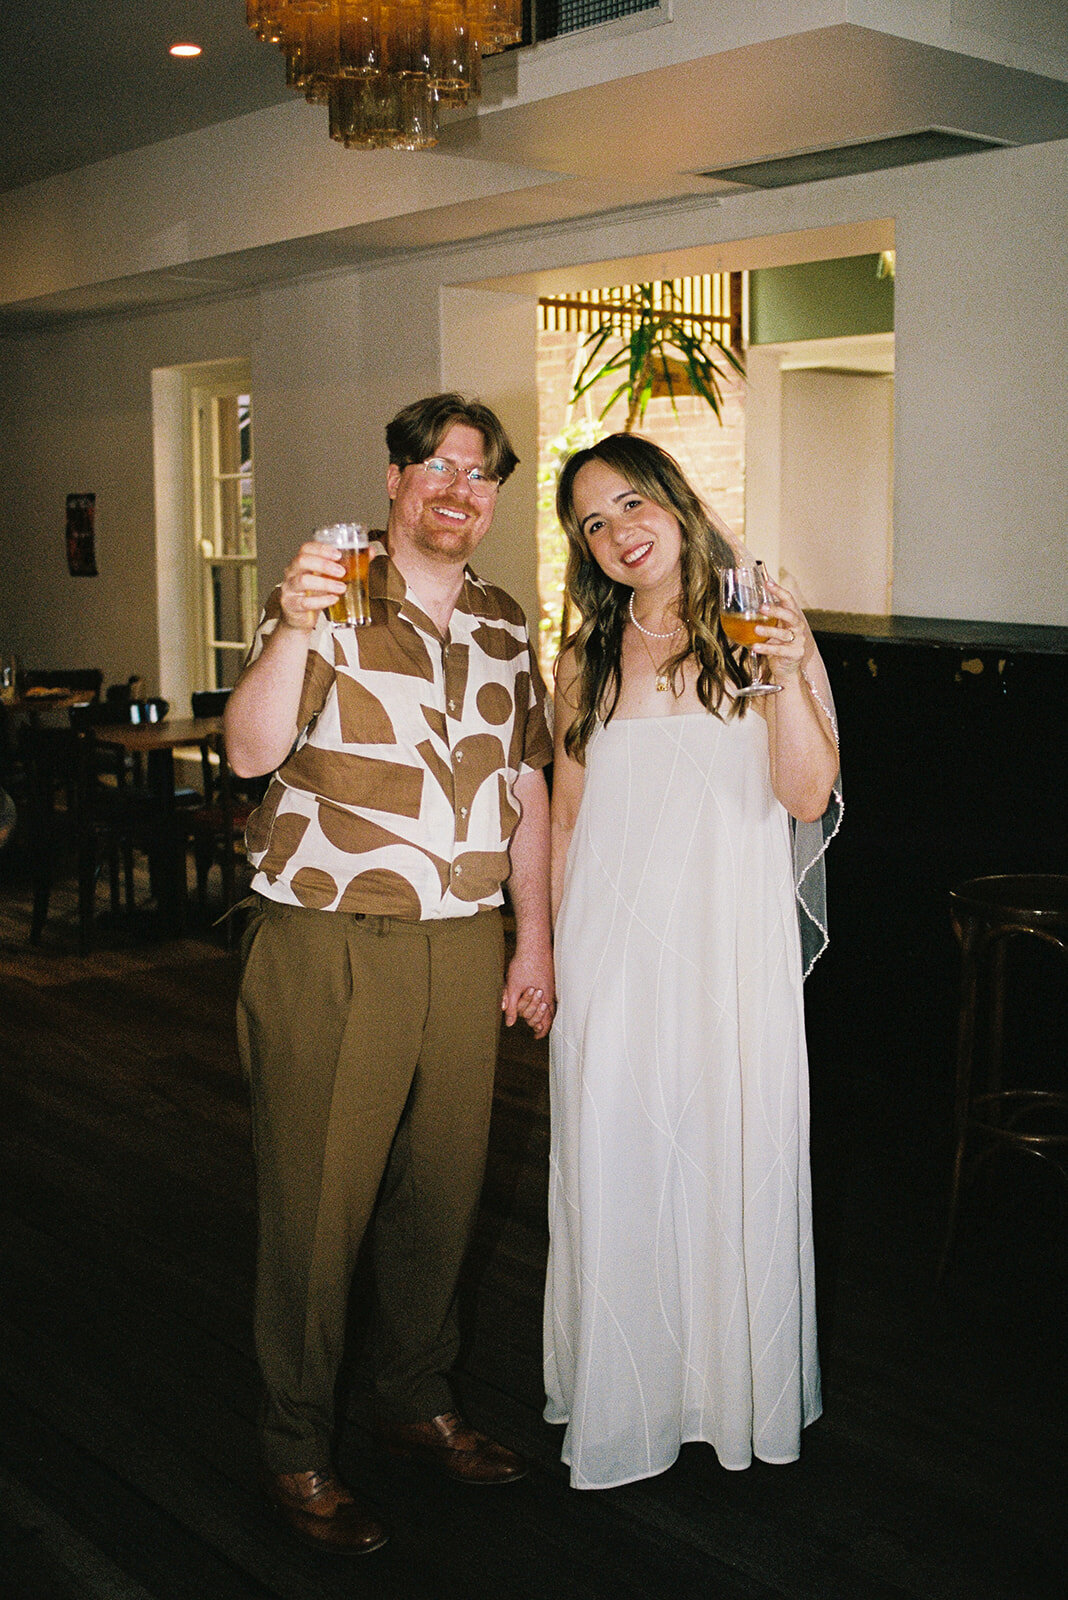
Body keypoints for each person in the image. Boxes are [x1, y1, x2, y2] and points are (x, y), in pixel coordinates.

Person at [226, 393, 555, 1554]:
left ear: (495, 495)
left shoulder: (506, 621)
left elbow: (526, 785)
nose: (459, 488)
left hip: (462, 943)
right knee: (319, 1211)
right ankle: (296, 1444)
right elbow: (251, 751)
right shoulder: (333, 592)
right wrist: (290, 626)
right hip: (331, 938)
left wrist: (534, 936)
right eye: (438, 467)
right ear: (396, 479)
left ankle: (415, 1396)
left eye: (481, 473)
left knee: (443, 1193)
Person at [542, 433, 842, 1490]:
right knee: (619, 1161)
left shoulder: (761, 620)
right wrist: (553, 960)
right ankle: (630, 1397)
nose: (619, 532)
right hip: (613, 953)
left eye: (631, 503)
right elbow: (566, 819)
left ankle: (728, 1391)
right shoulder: (583, 660)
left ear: (675, 500)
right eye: (593, 522)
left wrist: (788, 675)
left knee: (727, 1154)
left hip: (727, 953)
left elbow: (806, 797)